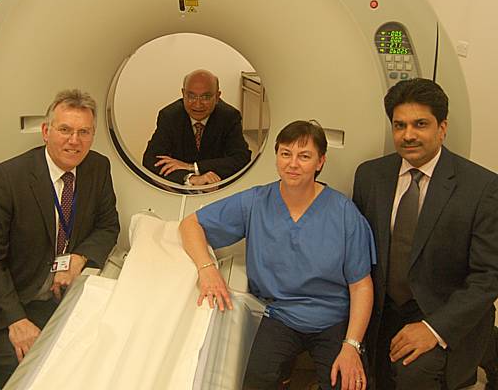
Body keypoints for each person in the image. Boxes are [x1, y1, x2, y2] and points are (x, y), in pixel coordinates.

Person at [180, 120, 376, 389]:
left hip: (332, 318)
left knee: (347, 383)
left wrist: (351, 345)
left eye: (304, 156)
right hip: (280, 315)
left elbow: (361, 285)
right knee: (255, 382)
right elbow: (190, 224)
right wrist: (207, 269)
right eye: (285, 153)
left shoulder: (344, 213)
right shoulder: (256, 202)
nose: (292, 163)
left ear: (320, 162)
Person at [0, 89, 120, 387]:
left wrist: (78, 258)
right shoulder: (7, 179)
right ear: (46, 132)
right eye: (65, 130)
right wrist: (16, 321)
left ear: (93, 135)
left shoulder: (97, 168)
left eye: (83, 132)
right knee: (18, 367)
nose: (74, 141)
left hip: (59, 292)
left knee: (93, 357)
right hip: (9, 296)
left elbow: (107, 225)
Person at [352, 78, 498, 390]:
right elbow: (357, 253)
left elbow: (488, 278)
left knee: (412, 374)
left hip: (441, 310)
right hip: (381, 309)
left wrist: (434, 328)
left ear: (442, 128)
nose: (408, 135)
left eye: (420, 124)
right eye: (399, 125)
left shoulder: (482, 188)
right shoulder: (370, 176)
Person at [143, 69, 251, 186]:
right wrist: (191, 178)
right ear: (183, 93)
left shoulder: (229, 117)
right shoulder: (169, 116)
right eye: (191, 96)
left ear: (217, 96)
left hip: (217, 186)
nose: (198, 104)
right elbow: (151, 160)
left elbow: (242, 159)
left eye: (206, 97)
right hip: (180, 188)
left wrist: (193, 167)